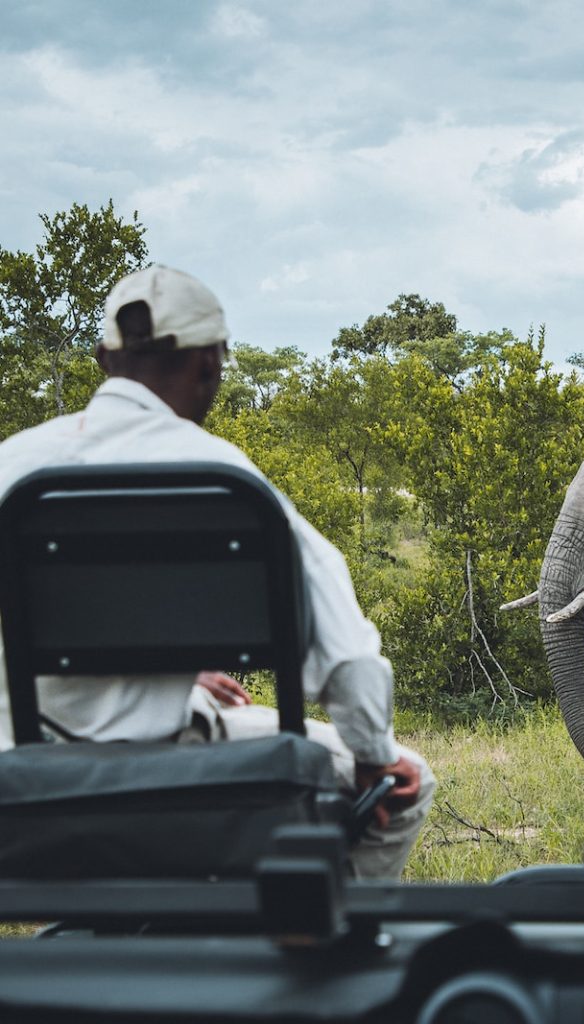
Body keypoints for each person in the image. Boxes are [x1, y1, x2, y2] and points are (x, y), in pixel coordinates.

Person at [0, 264, 435, 880]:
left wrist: (156, 666)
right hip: (167, 773)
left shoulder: (14, 465)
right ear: (209, 363)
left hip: (20, 784)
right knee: (409, 782)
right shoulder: (221, 478)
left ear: (103, 358)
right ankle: (320, 954)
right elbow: (348, 656)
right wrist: (371, 756)